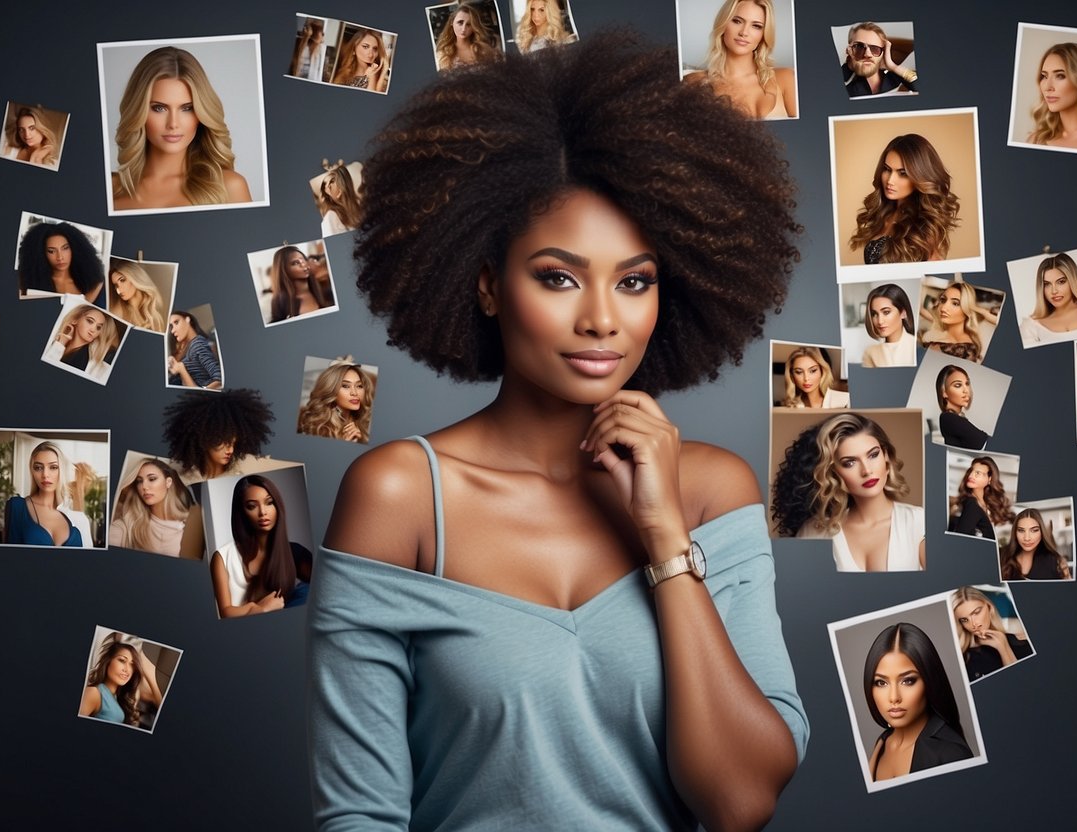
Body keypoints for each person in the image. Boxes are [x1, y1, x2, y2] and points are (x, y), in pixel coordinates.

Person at [310, 32, 807, 830]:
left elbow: (740, 801)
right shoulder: (401, 495)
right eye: (557, 277)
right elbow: (359, 815)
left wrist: (662, 538)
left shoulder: (713, 494)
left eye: (635, 280)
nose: (602, 318)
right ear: (485, 284)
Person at [774, 413, 925, 572]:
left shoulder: (918, 521)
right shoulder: (814, 531)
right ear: (834, 472)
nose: (867, 471)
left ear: (886, 456)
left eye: (873, 455)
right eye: (850, 463)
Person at [111, 46, 252, 210]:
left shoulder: (230, 188)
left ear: (201, 114)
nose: (173, 124)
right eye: (159, 108)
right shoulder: (109, 190)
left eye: (187, 108)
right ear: (138, 112)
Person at [864, 622, 974, 781]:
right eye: (881, 683)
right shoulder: (883, 742)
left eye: (908, 681)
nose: (894, 697)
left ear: (930, 680)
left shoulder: (952, 754)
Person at [848, 134, 959, 264]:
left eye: (902, 173)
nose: (890, 180)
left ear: (920, 177)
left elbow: (932, 275)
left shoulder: (926, 226)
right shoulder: (883, 215)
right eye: (887, 169)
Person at [211, 475, 309, 618]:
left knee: (307, 590)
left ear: (277, 506)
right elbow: (226, 612)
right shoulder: (223, 557)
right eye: (252, 506)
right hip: (244, 630)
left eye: (269, 503)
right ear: (242, 512)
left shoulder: (293, 552)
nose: (263, 512)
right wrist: (259, 609)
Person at [682, 0, 796, 120]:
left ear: (763, 34)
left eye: (756, 26)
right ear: (724, 24)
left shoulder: (787, 78)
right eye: (737, 21)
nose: (744, 32)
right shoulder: (694, 83)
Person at [162, 388, 275, 484]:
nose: (230, 450)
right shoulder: (178, 478)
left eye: (233, 443)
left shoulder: (242, 480)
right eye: (224, 443)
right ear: (204, 439)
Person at [3, 441, 91, 547]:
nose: (45, 474)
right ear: (32, 471)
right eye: (38, 468)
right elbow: (8, 557)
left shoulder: (74, 518)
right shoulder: (17, 507)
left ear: (61, 470)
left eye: (53, 467)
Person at [109, 458, 194, 556]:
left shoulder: (190, 527)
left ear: (168, 482)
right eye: (139, 481)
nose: (144, 486)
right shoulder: (126, 527)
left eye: (152, 479)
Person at [78, 633, 164, 728]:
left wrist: (148, 672)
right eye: (122, 660)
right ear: (108, 662)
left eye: (132, 665)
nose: (127, 669)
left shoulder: (117, 698)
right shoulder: (94, 692)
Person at [1019, 251, 1077, 346]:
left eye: (1061, 282)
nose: (1054, 291)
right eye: (1047, 284)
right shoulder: (1031, 327)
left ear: (1073, 281)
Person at [951, 587, 1033, 682]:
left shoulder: (1022, 642)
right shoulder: (963, 659)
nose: (974, 624)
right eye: (964, 620)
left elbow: (1022, 684)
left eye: (977, 612)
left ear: (989, 607)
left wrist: (1003, 647)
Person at [17, 221, 106, 306]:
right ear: (41, 254)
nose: (60, 257)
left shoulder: (95, 283)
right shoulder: (30, 284)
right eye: (51, 251)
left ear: (75, 249)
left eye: (65, 248)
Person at [297, 363, 375, 443]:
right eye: (345, 386)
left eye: (359, 386)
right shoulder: (311, 426)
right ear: (330, 390)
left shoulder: (366, 424)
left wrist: (360, 441)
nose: (354, 393)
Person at [919, 282, 996, 363]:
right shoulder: (942, 329)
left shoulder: (965, 350)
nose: (943, 308)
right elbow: (928, 316)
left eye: (955, 303)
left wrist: (982, 311)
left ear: (966, 310)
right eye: (943, 300)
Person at [42, 303, 121, 381]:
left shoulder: (81, 358)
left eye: (98, 327)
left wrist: (60, 344)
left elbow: (47, 373)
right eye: (90, 321)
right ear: (75, 320)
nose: (93, 330)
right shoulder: (57, 341)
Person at [841, 21, 917, 97]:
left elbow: (922, 89)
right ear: (850, 50)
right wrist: (850, 63)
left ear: (883, 52)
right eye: (859, 47)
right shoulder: (849, 83)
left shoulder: (893, 78)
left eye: (874, 49)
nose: (867, 54)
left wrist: (892, 66)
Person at [947, 456, 1013, 540]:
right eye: (971, 471)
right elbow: (960, 539)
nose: (971, 476)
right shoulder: (970, 503)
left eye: (978, 473)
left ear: (989, 479)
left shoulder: (990, 506)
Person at [1000, 507, 1072, 580]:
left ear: (1042, 532)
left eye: (1034, 530)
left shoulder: (1054, 562)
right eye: (1021, 530)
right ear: (1015, 533)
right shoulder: (1001, 556)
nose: (1027, 538)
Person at [268, 246, 331, 323]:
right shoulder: (280, 300)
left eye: (303, 259)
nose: (303, 264)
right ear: (284, 270)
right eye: (295, 263)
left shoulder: (323, 286)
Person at [861, 283, 916, 367]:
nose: (880, 321)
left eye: (886, 312)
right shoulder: (870, 353)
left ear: (903, 313)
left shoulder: (917, 347)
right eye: (874, 314)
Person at [935, 364, 988, 449]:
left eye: (967, 384)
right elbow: (982, 441)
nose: (966, 390)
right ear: (943, 392)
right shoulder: (948, 418)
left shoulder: (953, 418)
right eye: (958, 385)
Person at [434, 3, 501, 70]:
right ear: (452, 22)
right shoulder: (443, 54)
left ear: (474, 27)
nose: (463, 29)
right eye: (460, 22)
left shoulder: (483, 50)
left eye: (469, 24)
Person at [166, 310, 222, 388]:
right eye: (171, 326)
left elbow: (219, 380)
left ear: (187, 319)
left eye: (176, 322)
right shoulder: (191, 346)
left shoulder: (198, 344)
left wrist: (181, 369)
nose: (173, 330)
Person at [779, 346, 849, 408]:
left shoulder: (845, 401)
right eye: (799, 372)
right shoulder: (790, 407)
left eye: (813, 371)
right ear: (791, 375)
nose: (806, 378)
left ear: (822, 371)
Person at [107, 260, 166, 332]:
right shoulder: (118, 312)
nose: (118, 290)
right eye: (115, 285)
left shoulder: (154, 315)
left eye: (122, 280)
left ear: (134, 277)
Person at [331, 27, 390, 92]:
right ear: (354, 49)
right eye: (365, 47)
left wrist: (374, 76)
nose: (371, 53)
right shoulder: (343, 75)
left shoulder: (381, 78)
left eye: (375, 49)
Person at [319, 166, 361, 236]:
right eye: (326, 186)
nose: (327, 188)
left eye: (332, 181)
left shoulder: (359, 205)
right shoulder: (330, 218)